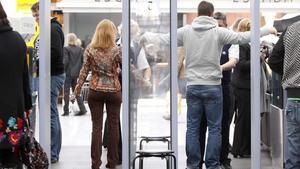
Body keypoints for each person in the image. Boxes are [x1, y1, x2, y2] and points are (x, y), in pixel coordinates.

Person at [157, 1, 276, 168]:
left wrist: (140, 36)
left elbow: (164, 39)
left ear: (198, 13)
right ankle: (212, 164)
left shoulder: (186, 32)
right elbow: (242, 37)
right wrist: (266, 29)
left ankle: (193, 165)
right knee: (215, 129)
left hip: (193, 87)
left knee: (192, 129)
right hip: (213, 86)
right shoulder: (219, 32)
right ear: (211, 14)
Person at [74, 19, 122, 169]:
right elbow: (123, 68)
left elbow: (84, 70)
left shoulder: (90, 49)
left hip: (95, 91)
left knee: (96, 127)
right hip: (114, 91)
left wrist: (78, 86)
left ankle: (95, 163)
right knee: (114, 127)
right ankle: (112, 162)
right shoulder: (117, 50)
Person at [198, 12, 239, 169]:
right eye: (215, 27)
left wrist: (217, 69)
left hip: (223, 86)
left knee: (222, 125)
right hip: (205, 85)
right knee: (202, 125)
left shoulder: (230, 41)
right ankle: (200, 160)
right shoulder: (206, 40)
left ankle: (222, 159)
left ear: (226, 26)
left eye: (220, 26)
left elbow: (233, 61)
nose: (218, 30)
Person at [31, 2, 65, 163]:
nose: (36, 18)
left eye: (38, 14)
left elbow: (56, 53)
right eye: (34, 16)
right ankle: (51, 151)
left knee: (50, 114)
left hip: (51, 76)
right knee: (50, 113)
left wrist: (39, 62)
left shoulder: (52, 28)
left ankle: (52, 153)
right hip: (46, 76)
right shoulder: (46, 28)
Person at [0, 2, 32, 168]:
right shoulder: (18, 40)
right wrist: (28, 104)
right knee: (13, 160)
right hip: (14, 113)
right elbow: (25, 77)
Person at [268, 20, 300, 169]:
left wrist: (289, 74)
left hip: (293, 97)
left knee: (293, 150)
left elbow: (273, 60)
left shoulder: (291, 29)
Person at [230, 18, 252, 158]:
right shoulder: (243, 44)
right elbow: (242, 65)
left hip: (241, 85)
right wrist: (258, 58)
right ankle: (240, 149)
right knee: (243, 118)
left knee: (242, 117)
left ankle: (241, 149)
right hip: (243, 86)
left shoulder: (244, 44)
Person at [62, 33, 87, 116]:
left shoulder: (66, 49)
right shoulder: (80, 49)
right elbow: (82, 62)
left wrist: (63, 70)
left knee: (66, 92)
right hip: (77, 73)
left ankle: (66, 111)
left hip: (68, 73)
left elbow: (65, 61)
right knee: (76, 91)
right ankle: (82, 109)